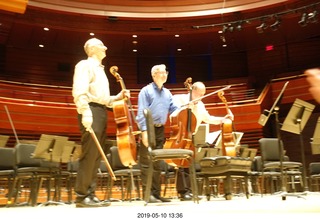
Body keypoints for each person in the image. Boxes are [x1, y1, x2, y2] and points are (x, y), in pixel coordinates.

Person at [72, 38, 129, 207]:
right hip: (91, 110)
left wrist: (117, 98)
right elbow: (80, 90)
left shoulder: (101, 70)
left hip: (101, 111)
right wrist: (85, 111)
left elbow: (103, 99)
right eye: (102, 46)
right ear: (93, 49)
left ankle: (90, 192)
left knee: (97, 155)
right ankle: (82, 196)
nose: (106, 48)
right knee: (90, 154)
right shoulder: (84, 65)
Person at [172, 81, 234, 201]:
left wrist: (222, 119)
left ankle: (190, 190)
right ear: (192, 90)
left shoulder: (200, 105)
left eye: (203, 94)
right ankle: (182, 191)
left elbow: (208, 118)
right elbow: (173, 113)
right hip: (180, 134)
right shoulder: (179, 98)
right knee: (180, 164)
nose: (201, 97)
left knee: (189, 164)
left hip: (191, 136)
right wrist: (186, 107)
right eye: (199, 94)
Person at [136, 64, 179, 203]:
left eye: (165, 72)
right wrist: (144, 131)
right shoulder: (146, 91)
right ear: (154, 75)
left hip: (160, 130)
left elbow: (174, 110)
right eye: (161, 72)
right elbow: (142, 112)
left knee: (157, 163)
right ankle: (148, 194)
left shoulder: (167, 93)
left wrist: (186, 106)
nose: (164, 74)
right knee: (147, 163)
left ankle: (156, 194)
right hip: (148, 128)